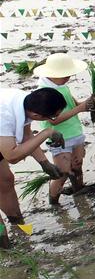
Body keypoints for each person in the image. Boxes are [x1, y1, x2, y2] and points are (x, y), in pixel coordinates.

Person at [0, 87, 68, 244]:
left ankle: (18, 225)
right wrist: (46, 133)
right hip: (4, 143)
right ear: (37, 115)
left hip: (2, 141)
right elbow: (12, 156)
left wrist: (44, 163)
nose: (55, 119)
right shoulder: (5, 115)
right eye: (53, 116)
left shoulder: (27, 101)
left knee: (5, 180)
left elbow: (26, 136)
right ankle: (5, 249)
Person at [31, 54, 95, 205]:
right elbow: (53, 120)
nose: (68, 77)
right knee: (61, 174)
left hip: (75, 133)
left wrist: (88, 103)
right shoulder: (44, 93)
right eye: (65, 74)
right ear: (53, 74)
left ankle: (79, 191)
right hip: (59, 139)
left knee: (77, 166)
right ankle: (54, 202)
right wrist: (80, 109)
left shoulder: (62, 86)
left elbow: (75, 106)